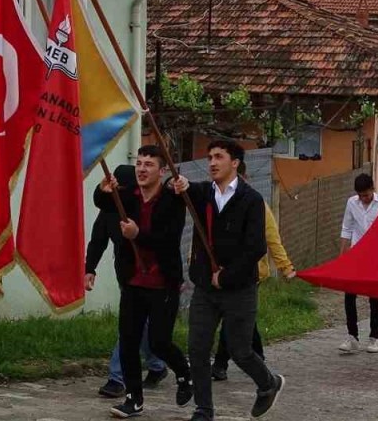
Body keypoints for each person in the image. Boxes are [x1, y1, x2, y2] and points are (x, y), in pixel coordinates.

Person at [173, 140, 284, 421]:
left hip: (240, 289)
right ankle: (203, 409)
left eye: (218, 157)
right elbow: (176, 190)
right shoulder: (201, 193)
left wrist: (227, 274)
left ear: (234, 162)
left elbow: (256, 247)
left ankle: (268, 383)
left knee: (240, 350)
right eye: (209, 157)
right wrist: (175, 184)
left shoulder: (251, 200)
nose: (212, 162)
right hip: (205, 288)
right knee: (197, 348)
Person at [94, 147, 194, 418]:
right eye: (138, 163)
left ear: (162, 171)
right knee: (128, 342)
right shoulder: (128, 195)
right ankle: (133, 399)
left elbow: (168, 239)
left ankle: (185, 372)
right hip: (133, 281)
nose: (141, 169)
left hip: (163, 282)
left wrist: (139, 234)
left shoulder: (172, 199)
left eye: (149, 164)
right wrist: (102, 189)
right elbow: (102, 204)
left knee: (160, 342)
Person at [86, 208, 167, 399]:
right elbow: (98, 238)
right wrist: (90, 268)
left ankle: (117, 377)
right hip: (126, 273)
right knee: (140, 322)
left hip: (154, 273)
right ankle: (157, 365)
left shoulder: (148, 204)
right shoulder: (109, 208)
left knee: (131, 324)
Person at [212, 202, 295, 382]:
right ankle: (257, 357)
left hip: (250, 273)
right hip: (223, 273)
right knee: (241, 317)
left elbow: (272, 237)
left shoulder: (255, 203)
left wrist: (285, 266)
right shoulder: (215, 200)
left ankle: (221, 363)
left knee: (232, 316)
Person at [338, 173, 378, 351]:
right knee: (349, 295)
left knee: (374, 296)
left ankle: (374, 337)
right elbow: (347, 228)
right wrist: (343, 257)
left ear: (373, 190)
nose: (363, 199)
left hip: (377, 256)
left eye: (366, 195)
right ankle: (352, 336)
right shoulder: (351, 203)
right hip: (357, 254)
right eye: (361, 196)